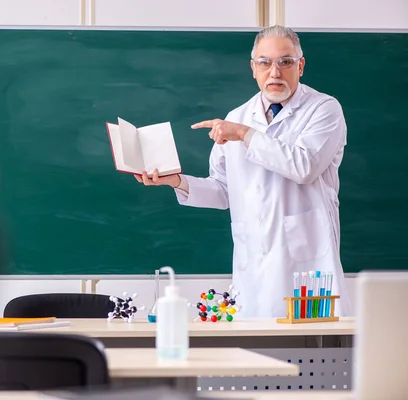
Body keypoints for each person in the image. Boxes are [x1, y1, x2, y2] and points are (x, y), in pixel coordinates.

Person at [134, 25, 351, 318]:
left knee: (312, 352)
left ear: (300, 66)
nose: (274, 72)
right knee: (254, 355)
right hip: (253, 272)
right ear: (253, 68)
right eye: (265, 62)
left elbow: (304, 166)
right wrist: (177, 182)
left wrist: (245, 134)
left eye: (285, 62)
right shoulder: (237, 117)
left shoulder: (323, 110)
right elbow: (223, 191)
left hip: (307, 270)